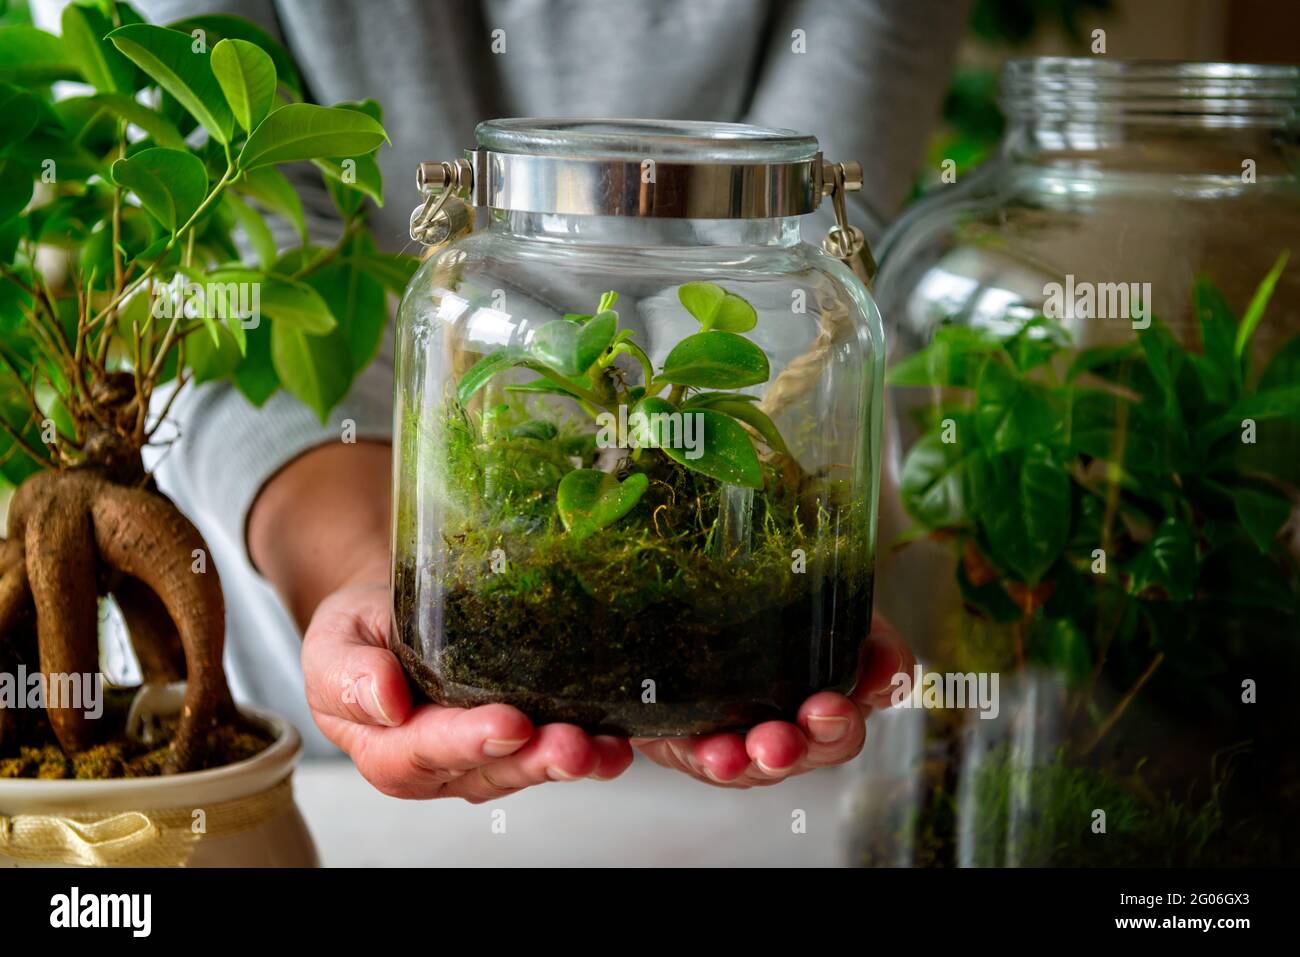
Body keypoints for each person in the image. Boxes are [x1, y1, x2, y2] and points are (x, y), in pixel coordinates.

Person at [110, 0, 965, 799]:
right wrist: (364, 569)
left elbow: (807, 241)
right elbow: (226, 258)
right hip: (306, 757)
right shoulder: (456, 291)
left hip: (771, 785)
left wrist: (650, 431)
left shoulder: (808, 294)